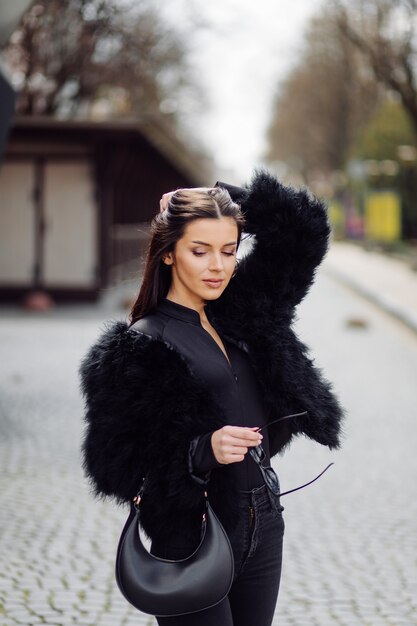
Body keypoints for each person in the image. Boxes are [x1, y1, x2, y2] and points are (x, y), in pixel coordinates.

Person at [78, 167, 346, 626]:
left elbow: (305, 230)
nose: (218, 266)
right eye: (199, 251)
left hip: (263, 518)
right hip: (193, 532)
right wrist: (204, 450)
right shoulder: (139, 346)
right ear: (168, 254)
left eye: (228, 250)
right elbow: (114, 469)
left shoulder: (245, 310)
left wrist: (222, 196)